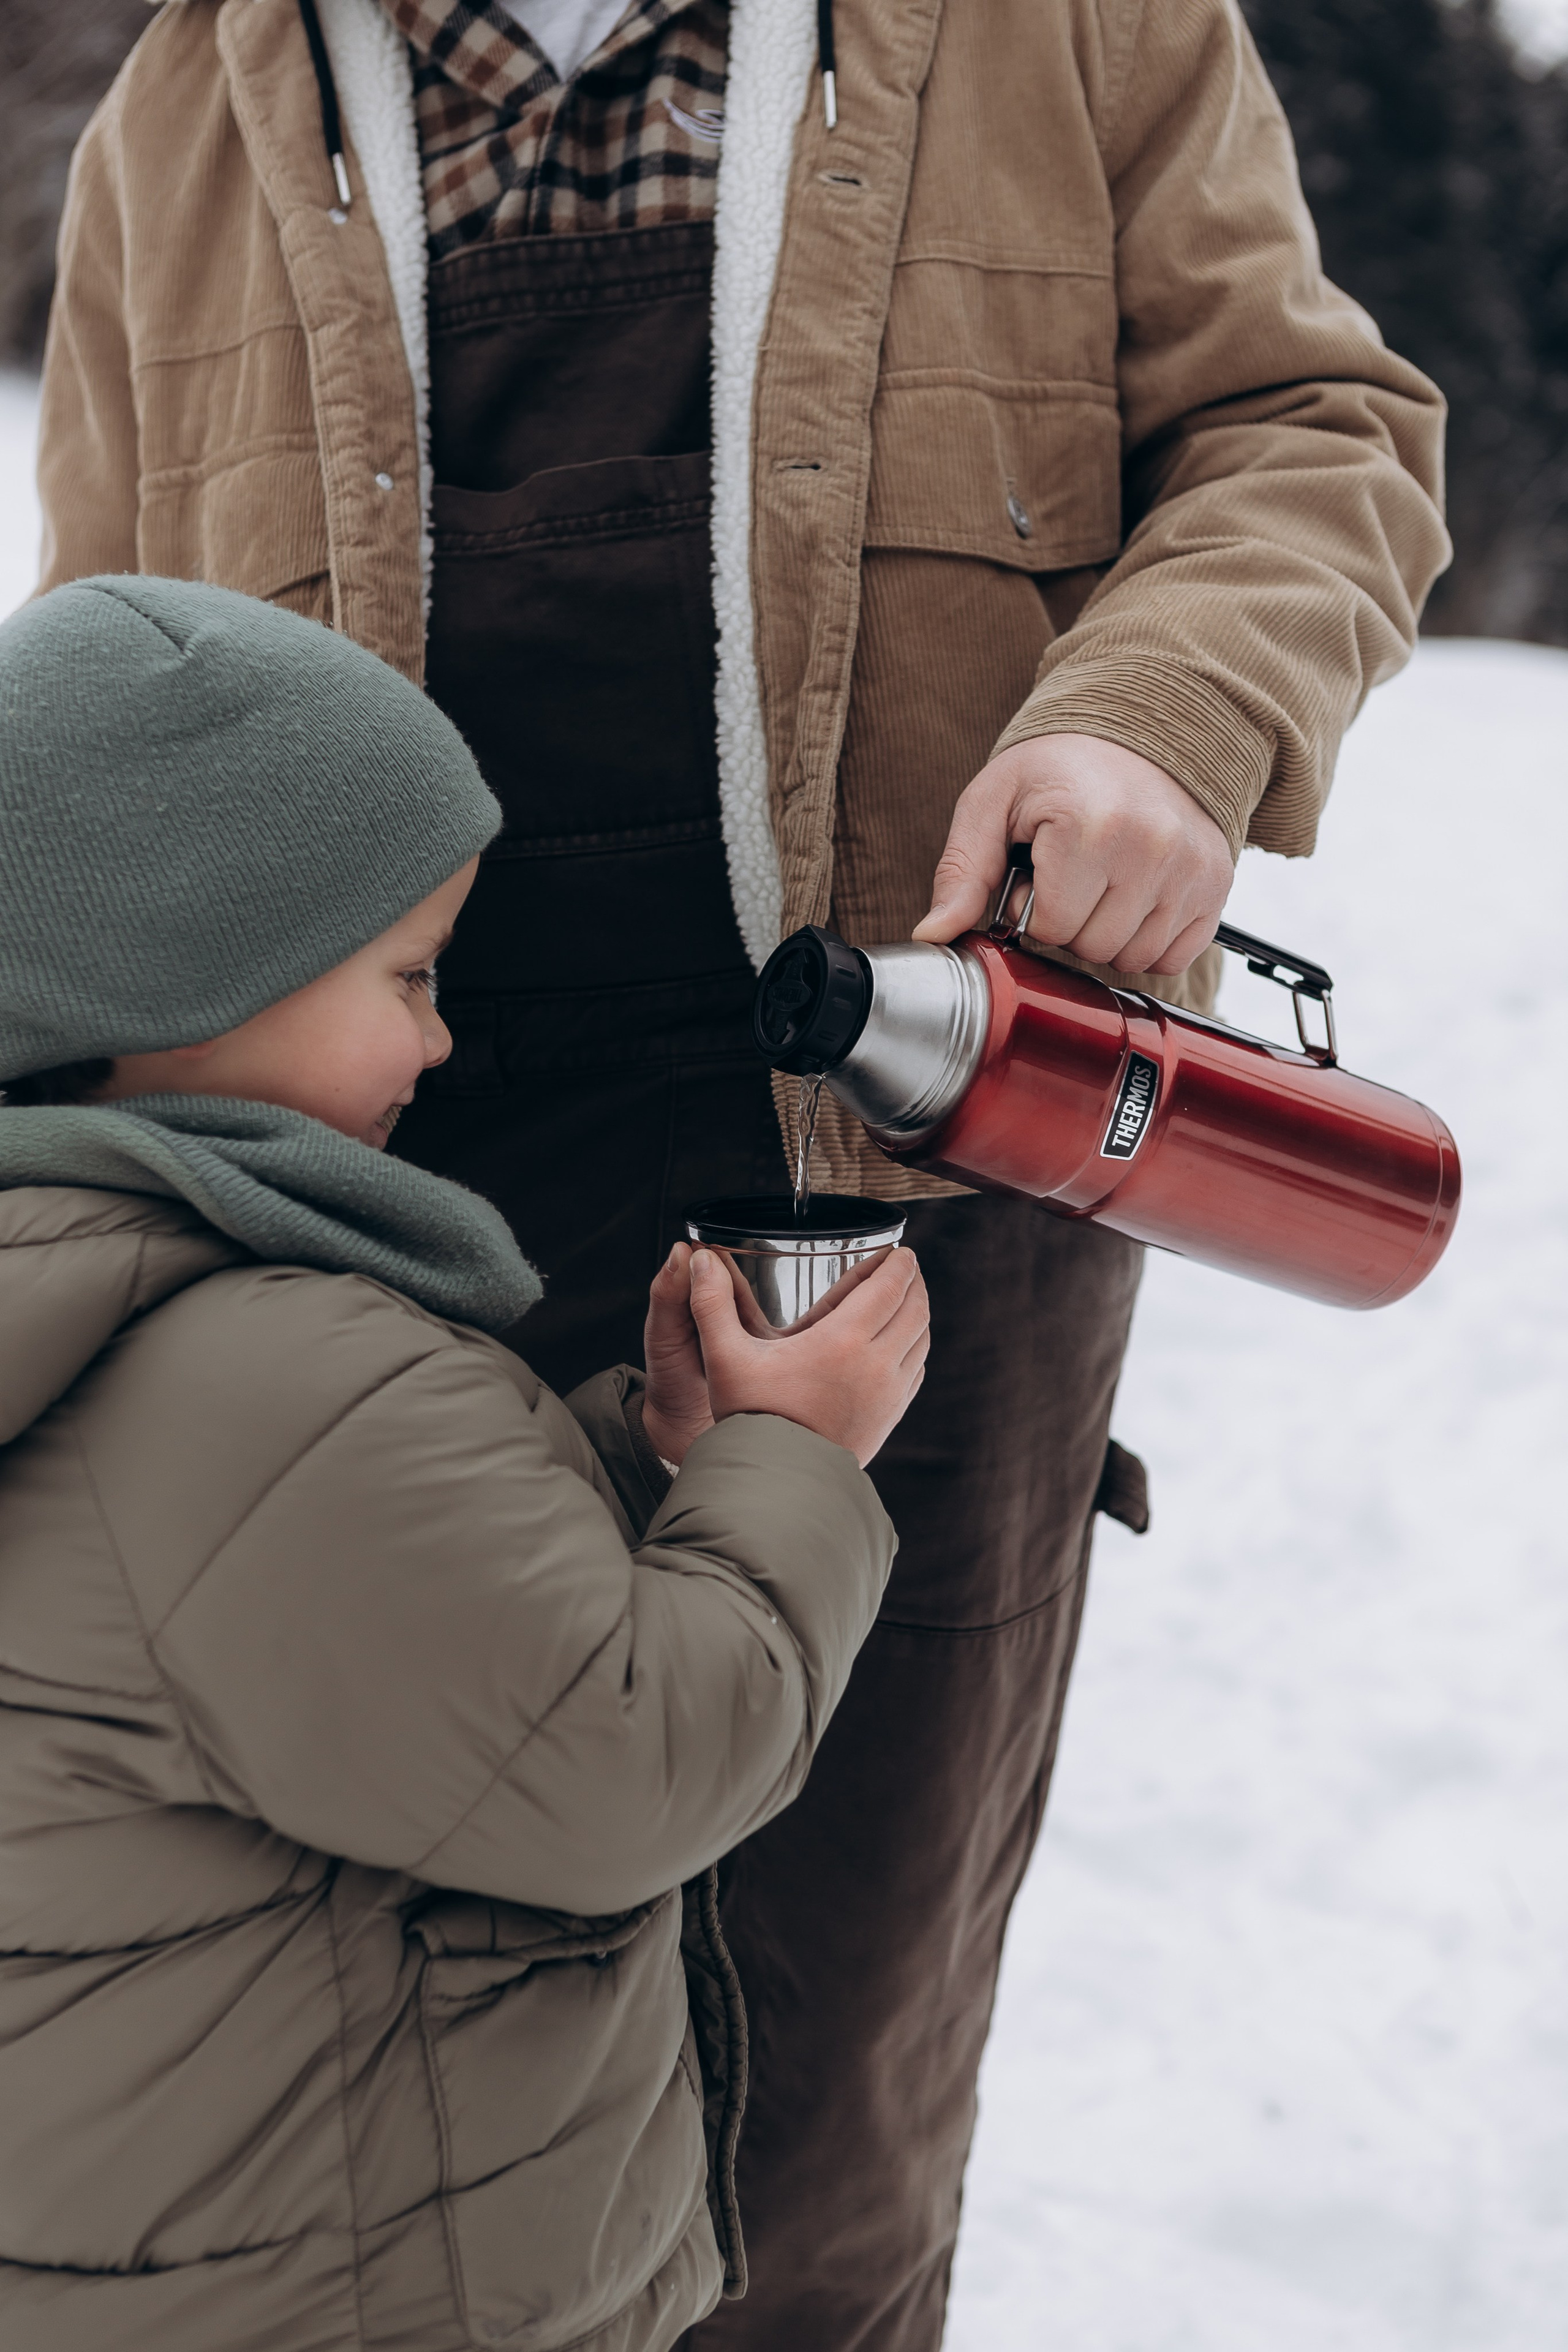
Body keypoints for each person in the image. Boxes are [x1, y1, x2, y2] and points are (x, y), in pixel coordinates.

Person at [34, 2, 1450, 2343]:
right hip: (331, 1253)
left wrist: (1168, 719)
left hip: (922, 1212)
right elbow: (114, 669)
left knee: (824, 2092)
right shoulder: (190, 103)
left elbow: (1321, 428)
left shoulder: (1075, 30)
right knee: (359, 2070)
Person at [0, 572, 929, 2349]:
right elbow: (620, 1757)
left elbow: (360, 1640)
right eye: (410, 976)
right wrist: (792, 1461)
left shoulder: (90, 1310)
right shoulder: (269, 1372)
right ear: (192, 971)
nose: (441, 1038)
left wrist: (650, 1466)